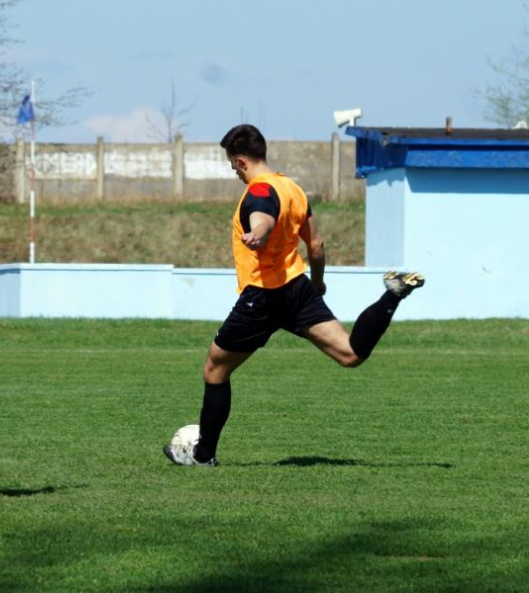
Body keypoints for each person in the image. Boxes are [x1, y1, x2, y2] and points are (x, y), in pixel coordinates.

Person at [163, 124, 424, 467]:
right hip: (297, 287)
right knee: (351, 354)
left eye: (233, 167)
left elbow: (262, 216)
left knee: (214, 370)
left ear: (241, 162)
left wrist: (259, 232)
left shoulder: (259, 192)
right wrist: (318, 282)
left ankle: (203, 454)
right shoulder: (294, 189)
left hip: (262, 296)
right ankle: (391, 296)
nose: (235, 174)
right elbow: (316, 246)